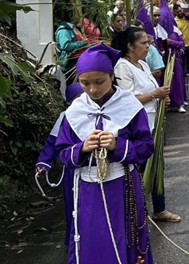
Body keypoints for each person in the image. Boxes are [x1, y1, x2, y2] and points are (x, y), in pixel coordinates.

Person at [55, 43, 154, 264]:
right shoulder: (75, 111)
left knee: (125, 237)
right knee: (91, 241)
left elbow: (146, 146)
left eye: (99, 82)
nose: (92, 89)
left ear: (111, 76)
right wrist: (82, 148)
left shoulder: (129, 105)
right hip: (88, 191)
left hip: (122, 186)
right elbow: (62, 152)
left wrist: (117, 145)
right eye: (85, 83)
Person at [112, 27, 180, 224]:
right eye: (144, 43)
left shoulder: (142, 64)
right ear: (130, 46)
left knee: (157, 166)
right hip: (137, 126)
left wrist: (161, 100)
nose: (148, 47)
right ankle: (135, 211)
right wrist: (154, 96)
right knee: (139, 169)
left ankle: (159, 209)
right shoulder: (122, 67)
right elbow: (127, 99)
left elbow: (152, 92)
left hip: (154, 123)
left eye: (148, 43)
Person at [36, 83, 84, 247]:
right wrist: (44, 163)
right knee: (74, 205)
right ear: (69, 103)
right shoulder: (66, 117)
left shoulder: (98, 113)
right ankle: (74, 240)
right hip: (73, 170)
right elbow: (52, 142)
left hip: (98, 169)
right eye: (76, 99)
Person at [55, 10, 89, 79]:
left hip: (80, 60)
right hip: (71, 63)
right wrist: (82, 43)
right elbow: (65, 46)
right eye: (77, 14)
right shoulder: (64, 30)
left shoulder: (75, 28)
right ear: (71, 16)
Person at [174, 3, 189, 75]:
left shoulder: (188, 18)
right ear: (175, 12)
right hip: (182, 45)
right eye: (177, 12)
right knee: (183, 63)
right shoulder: (175, 21)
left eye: (180, 11)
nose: (180, 13)